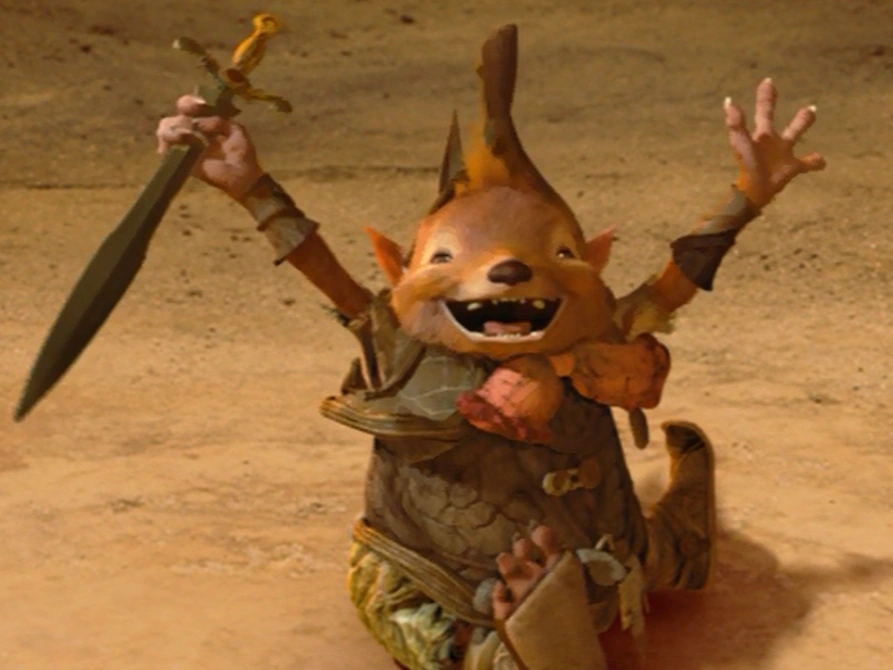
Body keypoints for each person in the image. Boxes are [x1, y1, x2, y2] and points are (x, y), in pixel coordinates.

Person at [156, 24, 824, 670]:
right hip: (435, 578)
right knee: (418, 620)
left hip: (605, 554)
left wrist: (748, 196)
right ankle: (502, 649)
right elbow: (329, 276)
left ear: (590, 263)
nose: (506, 272)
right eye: (447, 257)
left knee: (650, 556)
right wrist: (251, 187)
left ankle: (666, 548)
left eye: (553, 253)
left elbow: (670, 285)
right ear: (399, 271)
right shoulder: (402, 341)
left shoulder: (593, 334)